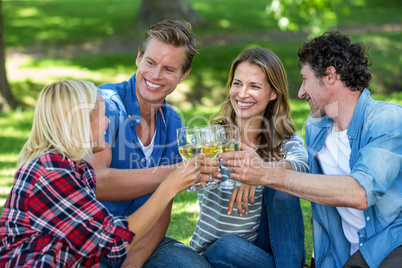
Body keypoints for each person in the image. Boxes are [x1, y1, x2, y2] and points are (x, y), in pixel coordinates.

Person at [220, 31, 402, 268]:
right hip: (343, 256)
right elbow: (320, 199)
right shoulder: (317, 127)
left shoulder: (387, 119)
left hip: (390, 245)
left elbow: (360, 193)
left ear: (330, 75)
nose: (300, 92)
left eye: (305, 80)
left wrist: (264, 173)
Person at [0, 80, 205, 267]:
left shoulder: (76, 169)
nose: (108, 122)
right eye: (103, 115)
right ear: (80, 122)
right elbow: (114, 242)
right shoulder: (49, 172)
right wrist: (169, 185)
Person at [88, 19, 216, 267]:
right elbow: (95, 181)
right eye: (150, 62)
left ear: (183, 75)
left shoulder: (174, 123)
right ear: (138, 58)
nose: (156, 75)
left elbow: (160, 215)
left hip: (142, 242)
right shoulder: (106, 106)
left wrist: (133, 264)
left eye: (169, 69)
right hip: (90, 241)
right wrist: (176, 174)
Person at [190, 47, 309, 268]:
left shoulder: (285, 140)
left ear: (273, 93)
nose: (242, 94)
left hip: (263, 251)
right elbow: (189, 177)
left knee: (281, 183)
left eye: (254, 86)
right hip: (218, 252)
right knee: (227, 246)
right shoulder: (213, 139)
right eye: (237, 83)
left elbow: (304, 167)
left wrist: (260, 172)